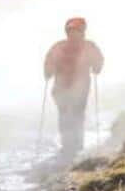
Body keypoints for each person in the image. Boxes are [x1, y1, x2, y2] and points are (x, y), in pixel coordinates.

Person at [44, 16, 104, 158]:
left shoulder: (88, 46)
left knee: (77, 113)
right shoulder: (59, 47)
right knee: (64, 115)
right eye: (71, 31)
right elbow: (49, 61)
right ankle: (68, 144)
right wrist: (48, 72)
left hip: (81, 87)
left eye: (76, 30)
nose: (73, 34)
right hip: (60, 88)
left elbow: (98, 60)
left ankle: (76, 144)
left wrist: (97, 67)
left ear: (82, 31)